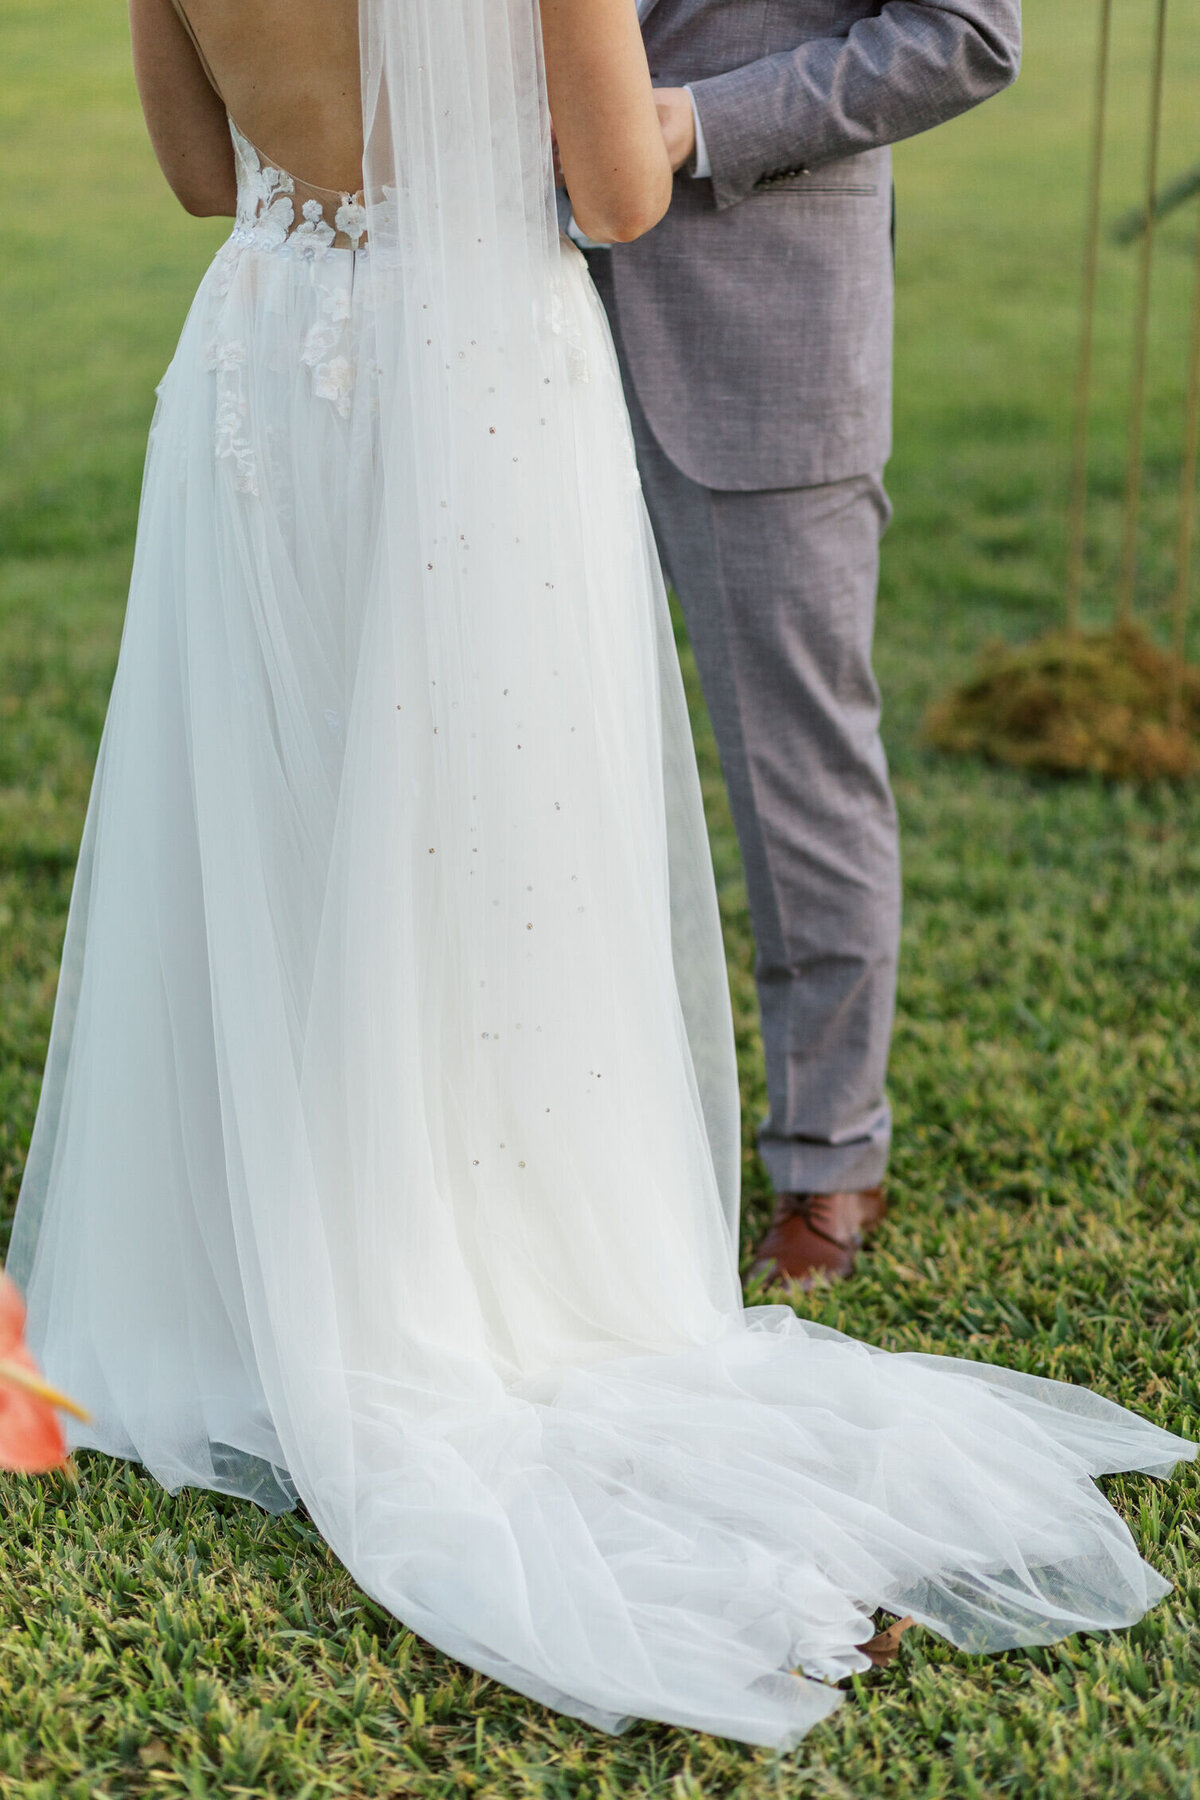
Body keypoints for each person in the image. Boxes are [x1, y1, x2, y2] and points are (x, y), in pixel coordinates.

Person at [7, 0, 1193, 1751]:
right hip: (478, 380)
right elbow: (621, 193)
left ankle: (270, 1261)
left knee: (279, 812)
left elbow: (202, 178)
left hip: (267, 362)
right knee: (488, 843)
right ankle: (468, 1246)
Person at [577, 0, 1022, 1286]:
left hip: (757, 325)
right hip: (507, 328)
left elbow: (964, 33)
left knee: (797, 772)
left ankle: (828, 1156)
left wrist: (701, 120)